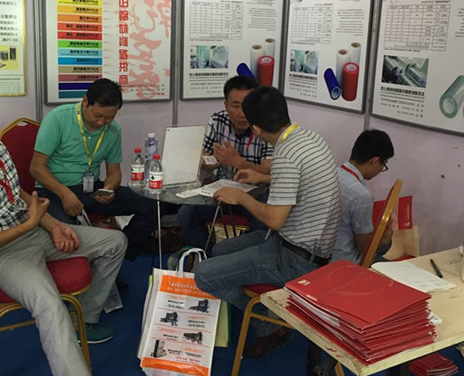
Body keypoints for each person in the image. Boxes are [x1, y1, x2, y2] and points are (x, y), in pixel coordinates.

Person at [0, 81, 137, 376]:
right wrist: (31, 225)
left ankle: (85, 319)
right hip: (0, 254)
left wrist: (52, 225)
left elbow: (19, 195)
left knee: (114, 242)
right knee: (50, 306)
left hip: (34, 231)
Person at [194, 86, 341, 358]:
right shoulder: (309, 137)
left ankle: (269, 321)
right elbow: (297, 179)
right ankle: (265, 314)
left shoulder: (285, 154)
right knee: (221, 249)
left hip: (294, 258)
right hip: (310, 248)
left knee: (203, 274)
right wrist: (262, 177)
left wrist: (240, 197)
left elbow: (274, 220)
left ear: (256, 129)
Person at [30, 78, 156, 261]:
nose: (101, 122)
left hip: (91, 190)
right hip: (55, 191)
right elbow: (36, 168)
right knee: (68, 234)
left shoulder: (113, 130)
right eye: (97, 115)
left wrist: (109, 189)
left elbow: (114, 172)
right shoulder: (58, 118)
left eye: (109, 117)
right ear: (85, 101)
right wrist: (65, 194)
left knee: (151, 204)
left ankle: (120, 256)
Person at [177, 75, 273, 248]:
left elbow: (268, 170)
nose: (242, 113)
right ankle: (208, 257)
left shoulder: (266, 125)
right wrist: (207, 162)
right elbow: (204, 153)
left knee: (263, 225)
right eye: (236, 106)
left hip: (255, 194)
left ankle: (244, 259)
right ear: (226, 105)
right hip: (221, 190)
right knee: (186, 215)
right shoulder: (217, 120)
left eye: (247, 105)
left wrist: (239, 162)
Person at [330, 129, 395, 264]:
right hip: (343, 261)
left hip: (321, 255)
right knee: (388, 255)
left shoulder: (330, 173)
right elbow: (363, 246)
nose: (381, 170)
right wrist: (385, 240)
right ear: (375, 161)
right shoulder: (362, 195)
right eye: (383, 164)